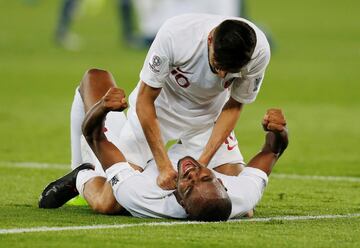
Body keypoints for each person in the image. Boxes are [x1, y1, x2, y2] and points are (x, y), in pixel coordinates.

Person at [40, 69, 287, 221]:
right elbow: (272, 150)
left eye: (189, 186)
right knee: (242, 193)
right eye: (205, 178)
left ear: (179, 200)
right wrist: (278, 131)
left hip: (142, 172)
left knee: (109, 201)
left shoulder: (143, 195)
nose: (192, 174)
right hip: (177, 115)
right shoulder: (242, 195)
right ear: (221, 184)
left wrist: (103, 108)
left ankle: (81, 177)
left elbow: (95, 137)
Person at [68, 14, 271, 193]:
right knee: (113, 198)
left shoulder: (258, 53)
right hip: (159, 112)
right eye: (218, 65)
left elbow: (234, 106)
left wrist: (202, 164)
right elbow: (145, 100)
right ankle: (84, 174)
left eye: (230, 71)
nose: (222, 75)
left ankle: (147, 166)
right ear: (210, 40)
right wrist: (163, 166)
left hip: (209, 119)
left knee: (233, 198)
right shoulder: (176, 35)